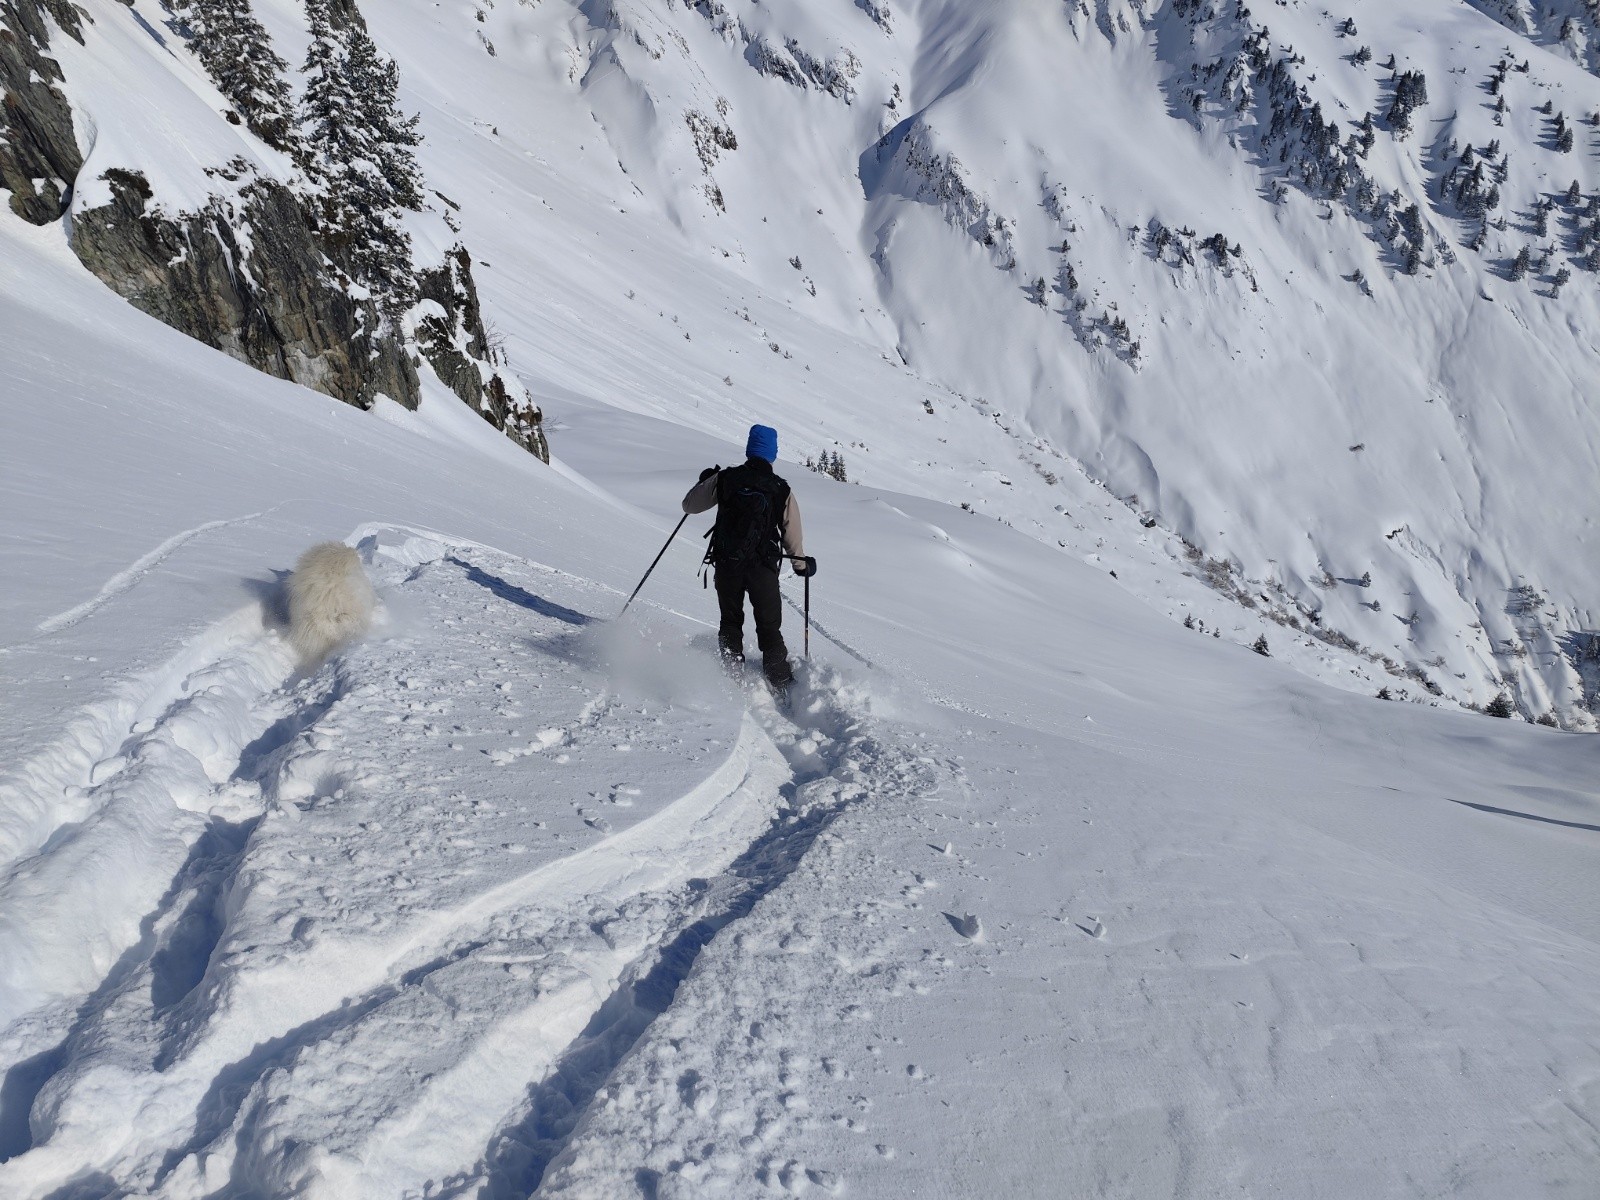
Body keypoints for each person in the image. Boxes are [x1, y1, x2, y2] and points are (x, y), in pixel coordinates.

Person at [682, 424, 816, 688]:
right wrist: (801, 565)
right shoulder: (781, 489)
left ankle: (731, 676)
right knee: (769, 625)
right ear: (773, 454)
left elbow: (689, 506)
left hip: (728, 563)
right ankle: (779, 678)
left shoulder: (726, 478)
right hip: (763, 567)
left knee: (730, 621)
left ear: (749, 449)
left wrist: (704, 482)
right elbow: (792, 533)